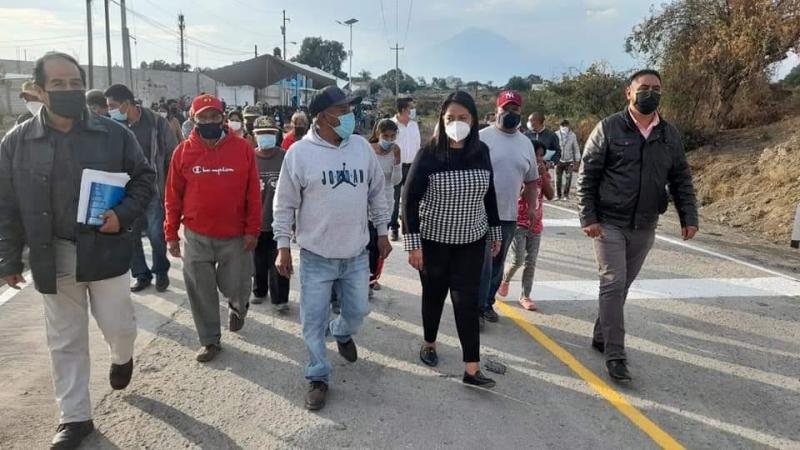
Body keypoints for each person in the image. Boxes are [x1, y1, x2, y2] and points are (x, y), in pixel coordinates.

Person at [0, 52, 155, 449]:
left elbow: (144, 179)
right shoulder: (17, 143)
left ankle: (122, 358)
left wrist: (122, 215)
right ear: (38, 90)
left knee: (118, 327)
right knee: (65, 339)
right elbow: (6, 204)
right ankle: (75, 418)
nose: (68, 90)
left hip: (105, 249)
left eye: (74, 82)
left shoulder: (114, 134)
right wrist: (9, 258)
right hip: (54, 254)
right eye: (58, 84)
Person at [272, 86, 391, 411]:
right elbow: (283, 204)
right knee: (312, 320)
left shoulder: (361, 149)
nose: (350, 115)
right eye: (342, 110)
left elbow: (377, 192)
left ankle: (341, 332)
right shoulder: (300, 153)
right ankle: (318, 376)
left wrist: (382, 230)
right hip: (316, 256)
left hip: (355, 254)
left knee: (357, 312)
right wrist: (282, 245)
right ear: (323, 117)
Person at [577, 69, 698, 382]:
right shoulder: (608, 128)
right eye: (643, 87)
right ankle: (615, 355)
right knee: (614, 283)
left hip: (645, 224)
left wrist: (689, 216)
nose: (650, 93)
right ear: (628, 93)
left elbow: (681, 178)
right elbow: (587, 175)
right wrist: (588, 217)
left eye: (656, 88)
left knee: (622, 285)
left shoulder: (668, 134)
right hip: (609, 223)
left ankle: (601, 335)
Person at [402, 90, 502, 388]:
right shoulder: (429, 154)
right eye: (450, 118)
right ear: (441, 121)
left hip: (472, 241)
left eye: (463, 118)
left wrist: (495, 232)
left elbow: (490, 194)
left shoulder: (481, 152)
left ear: (472, 120)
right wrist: (413, 243)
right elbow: (409, 200)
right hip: (434, 243)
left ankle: (471, 368)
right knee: (433, 297)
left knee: (467, 302)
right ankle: (429, 342)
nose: (456, 123)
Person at [164, 94, 262, 363]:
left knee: (237, 285)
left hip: (235, 236)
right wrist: (171, 233)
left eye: (214, 116)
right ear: (193, 119)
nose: (208, 121)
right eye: (202, 117)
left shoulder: (242, 149)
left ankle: (238, 307)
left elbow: (253, 192)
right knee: (200, 290)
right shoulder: (182, 152)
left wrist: (253, 229)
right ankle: (209, 340)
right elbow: (173, 196)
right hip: (196, 236)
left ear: (223, 118)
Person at [105, 84, 178, 293]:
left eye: (113, 105)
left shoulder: (156, 122)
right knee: (131, 236)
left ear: (127, 104)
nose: (110, 110)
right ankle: (141, 274)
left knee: (157, 235)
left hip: (153, 189)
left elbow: (172, 155)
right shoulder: (113, 126)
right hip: (126, 192)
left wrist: (169, 187)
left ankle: (161, 271)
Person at [477, 90, 539, 327]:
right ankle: (476, 308)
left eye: (515, 109)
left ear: (520, 112)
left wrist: (531, 208)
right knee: (481, 264)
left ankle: (487, 303)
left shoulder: (525, 144)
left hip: (508, 215)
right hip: (478, 214)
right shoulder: (481, 137)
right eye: (506, 108)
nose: (510, 113)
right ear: (497, 109)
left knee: (497, 263)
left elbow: (532, 180)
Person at [498, 141, 554, 311]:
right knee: (518, 259)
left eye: (541, 155)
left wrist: (543, 175)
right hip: (519, 223)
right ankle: (505, 280)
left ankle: (525, 295)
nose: (539, 158)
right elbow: (518, 195)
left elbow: (550, 195)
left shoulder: (544, 173)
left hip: (535, 225)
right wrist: (529, 181)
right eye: (536, 154)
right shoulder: (520, 172)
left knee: (531, 262)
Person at [250, 116, 290, 312]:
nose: (266, 137)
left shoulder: (286, 157)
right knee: (257, 259)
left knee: (280, 259)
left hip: (279, 220)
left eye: (270, 133)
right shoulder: (248, 157)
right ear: (254, 136)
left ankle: (280, 298)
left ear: (276, 135)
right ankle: (259, 290)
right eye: (261, 134)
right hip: (256, 220)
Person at [367, 118, 402, 292]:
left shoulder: (395, 152)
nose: (389, 140)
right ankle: (363, 277)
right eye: (385, 136)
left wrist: (397, 160)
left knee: (379, 244)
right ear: (377, 134)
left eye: (392, 136)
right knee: (367, 243)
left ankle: (373, 278)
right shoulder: (368, 150)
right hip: (367, 204)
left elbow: (396, 181)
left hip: (386, 202)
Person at [389, 96, 421, 242]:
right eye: (411, 107)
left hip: (412, 166)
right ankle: (394, 227)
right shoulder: (391, 124)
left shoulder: (414, 125)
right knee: (395, 199)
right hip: (396, 166)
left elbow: (417, 145)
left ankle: (408, 229)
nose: (413, 110)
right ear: (403, 109)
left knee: (411, 199)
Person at [555, 119, 581, 200]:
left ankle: (566, 195)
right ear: (560, 126)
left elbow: (576, 148)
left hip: (569, 161)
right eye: (563, 126)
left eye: (566, 126)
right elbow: (553, 147)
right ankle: (558, 195)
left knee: (568, 178)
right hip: (558, 160)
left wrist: (577, 160)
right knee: (558, 179)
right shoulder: (555, 134)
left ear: (568, 126)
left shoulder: (572, 135)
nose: (564, 127)